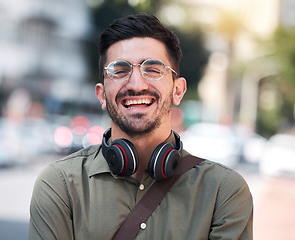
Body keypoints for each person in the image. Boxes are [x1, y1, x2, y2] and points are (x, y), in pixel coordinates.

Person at [28, 13, 253, 239]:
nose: (136, 85)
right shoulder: (60, 185)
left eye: (153, 70)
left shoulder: (223, 192)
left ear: (178, 90)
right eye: (120, 71)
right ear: (102, 95)